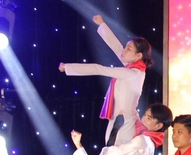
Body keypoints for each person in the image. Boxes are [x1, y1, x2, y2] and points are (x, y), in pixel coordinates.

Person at [59, 14, 152, 146]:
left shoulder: (131, 73)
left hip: (122, 122)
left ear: (138, 56)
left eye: (129, 49)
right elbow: (117, 48)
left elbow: (98, 69)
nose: (124, 50)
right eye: (126, 47)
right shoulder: (136, 69)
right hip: (121, 120)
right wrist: (101, 25)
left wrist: (67, 67)